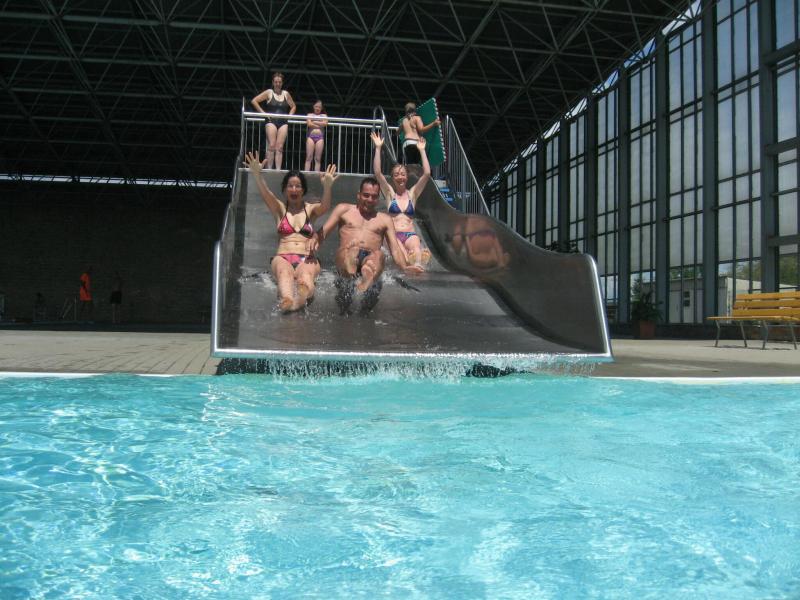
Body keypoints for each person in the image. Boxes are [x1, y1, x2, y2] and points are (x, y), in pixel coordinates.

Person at [311, 177, 424, 314]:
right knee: (346, 252)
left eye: (374, 197)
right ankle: (351, 264)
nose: (370, 199)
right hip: (346, 253)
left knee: (379, 255)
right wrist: (314, 240)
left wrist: (404, 267)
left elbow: (395, 249)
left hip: (370, 257)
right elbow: (324, 231)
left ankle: (367, 273)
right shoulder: (344, 209)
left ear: (378, 199)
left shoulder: (384, 219)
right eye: (366, 195)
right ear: (358, 195)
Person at [244, 151, 338, 312]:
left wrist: (327, 187)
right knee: (283, 273)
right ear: (285, 189)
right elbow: (267, 194)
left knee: (306, 277)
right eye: (290, 186)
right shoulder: (280, 209)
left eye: (298, 186)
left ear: (303, 190)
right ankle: (288, 299)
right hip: (283, 257)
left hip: (307, 258)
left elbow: (325, 206)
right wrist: (257, 175)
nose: (294, 189)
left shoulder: (310, 209)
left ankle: (295, 301)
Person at [371, 131, 432, 266]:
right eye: (397, 175)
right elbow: (377, 173)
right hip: (394, 235)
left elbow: (427, 174)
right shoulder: (390, 194)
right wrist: (378, 148)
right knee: (403, 258)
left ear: (407, 177)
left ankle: (418, 259)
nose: (400, 177)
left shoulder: (413, 194)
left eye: (403, 174)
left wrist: (422, 151)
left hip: (410, 234)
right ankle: (409, 261)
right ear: (392, 178)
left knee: (416, 251)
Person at [251, 72, 297, 170]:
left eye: (279, 82)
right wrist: (263, 113)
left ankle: (278, 170)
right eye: (276, 82)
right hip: (271, 121)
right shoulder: (269, 92)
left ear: (282, 83)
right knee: (272, 145)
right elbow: (254, 101)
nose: (278, 84)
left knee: (279, 147)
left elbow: (293, 106)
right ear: (273, 82)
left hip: (283, 122)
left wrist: (289, 116)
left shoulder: (286, 94)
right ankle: (269, 169)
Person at [304, 100, 327, 172]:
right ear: (313, 107)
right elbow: (309, 124)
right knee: (309, 157)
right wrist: (319, 123)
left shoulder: (324, 116)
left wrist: (314, 121)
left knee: (318, 158)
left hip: (320, 138)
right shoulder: (309, 115)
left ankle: (316, 174)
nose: (317, 108)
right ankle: (306, 174)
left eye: (319, 107)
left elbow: (325, 124)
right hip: (310, 137)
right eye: (316, 106)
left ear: (321, 108)